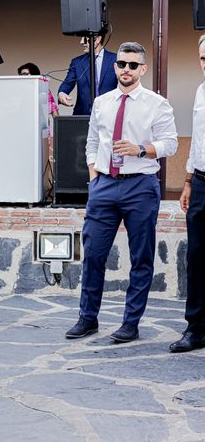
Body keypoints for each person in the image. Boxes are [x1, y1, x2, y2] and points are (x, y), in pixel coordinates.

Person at [65, 42, 178, 343]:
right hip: (103, 185)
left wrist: (140, 149)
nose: (126, 69)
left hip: (140, 185)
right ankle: (88, 318)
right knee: (93, 256)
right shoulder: (102, 102)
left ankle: (131, 323)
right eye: (122, 64)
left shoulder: (157, 103)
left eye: (132, 65)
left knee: (141, 257)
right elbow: (91, 142)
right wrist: (94, 177)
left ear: (142, 69)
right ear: (115, 67)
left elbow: (170, 144)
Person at [170, 34, 205, 353]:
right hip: (203, 183)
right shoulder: (200, 91)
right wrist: (189, 181)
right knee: (196, 256)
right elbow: (198, 139)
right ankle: (196, 328)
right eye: (203, 59)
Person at [58, 29, 118, 115]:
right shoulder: (77, 62)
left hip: (110, 115)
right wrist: (62, 93)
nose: (81, 42)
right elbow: (68, 82)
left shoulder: (115, 60)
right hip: (83, 115)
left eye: (85, 38)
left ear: (97, 39)